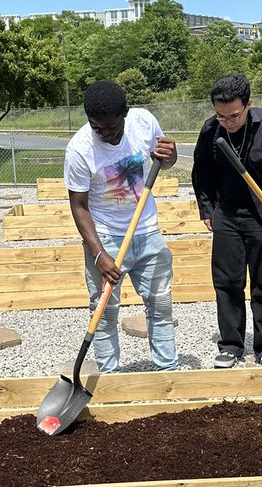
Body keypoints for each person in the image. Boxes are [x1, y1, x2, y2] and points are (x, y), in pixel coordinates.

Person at [64, 80, 180, 373]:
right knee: (104, 313)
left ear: (125, 115)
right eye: (97, 127)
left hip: (148, 231)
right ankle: (109, 377)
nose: (105, 134)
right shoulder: (79, 149)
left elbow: (162, 164)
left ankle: (168, 373)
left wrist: (171, 157)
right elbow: (79, 206)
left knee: (160, 306)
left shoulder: (144, 123)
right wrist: (98, 254)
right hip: (105, 237)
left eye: (112, 127)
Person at [192, 72, 262, 368]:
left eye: (233, 116)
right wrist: (208, 210)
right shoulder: (211, 131)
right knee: (227, 281)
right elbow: (201, 173)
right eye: (221, 116)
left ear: (248, 105)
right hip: (227, 213)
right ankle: (230, 344)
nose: (227, 122)